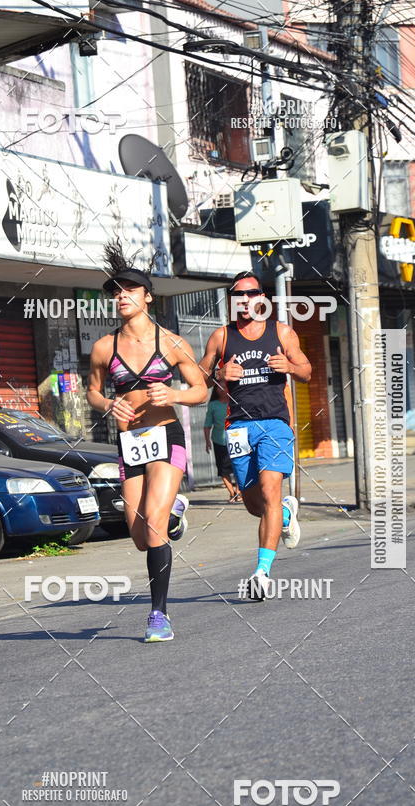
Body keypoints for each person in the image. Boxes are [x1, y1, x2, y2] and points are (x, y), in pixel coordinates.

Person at [87, 244, 207, 642]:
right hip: (130, 443)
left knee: (153, 527)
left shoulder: (171, 343)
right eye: (116, 292)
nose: (121, 296)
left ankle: (159, 615)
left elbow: (201, 389)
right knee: (141, 538)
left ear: (147, 297)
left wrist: (172, 396)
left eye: (129, 290)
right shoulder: (105, 347)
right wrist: (109, 404)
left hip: (166, 437)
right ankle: (174, 511)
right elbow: (92, 393)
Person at [199, 271, 312, 600]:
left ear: (262, 297)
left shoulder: (282, 332)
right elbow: (199, 377)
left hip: (275, 423)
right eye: (238, 296)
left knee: (270, 488)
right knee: (253, 504)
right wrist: (218, 374)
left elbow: (306, 370)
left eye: (250, 294)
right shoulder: (221, 337)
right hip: (238, 427)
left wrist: (289, 367)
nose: (245, 300)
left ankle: (262, 572)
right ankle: (286, 514)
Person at [204, 384, 240, 502]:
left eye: (224, 386)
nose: (222, 389)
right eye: (219, 387)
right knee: (223, 469)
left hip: (236, 439)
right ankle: (232, 493)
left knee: (239, 467)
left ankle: (239, 493)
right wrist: (207, 441)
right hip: (219, 441)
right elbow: (207, 425)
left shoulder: (235, 401)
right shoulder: (213, 405)